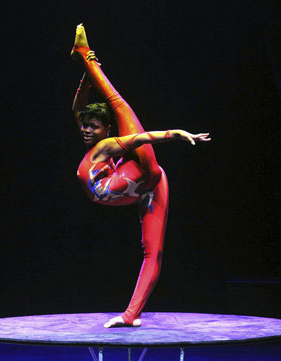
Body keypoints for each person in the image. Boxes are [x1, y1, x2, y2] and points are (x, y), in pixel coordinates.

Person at [71, 24, 210, 328]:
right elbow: (78, 108)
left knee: (154, 252)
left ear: (107, 130)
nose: (86, 130)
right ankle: (85, 59)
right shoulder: (97, 146)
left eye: (93, 126)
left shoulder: (108, 144)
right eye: (85, 126)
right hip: (130, 184)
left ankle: (130, 314)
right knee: (117, 107)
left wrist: (176, 134)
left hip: (148, 178)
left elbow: (142, 138)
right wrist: (86, 77)